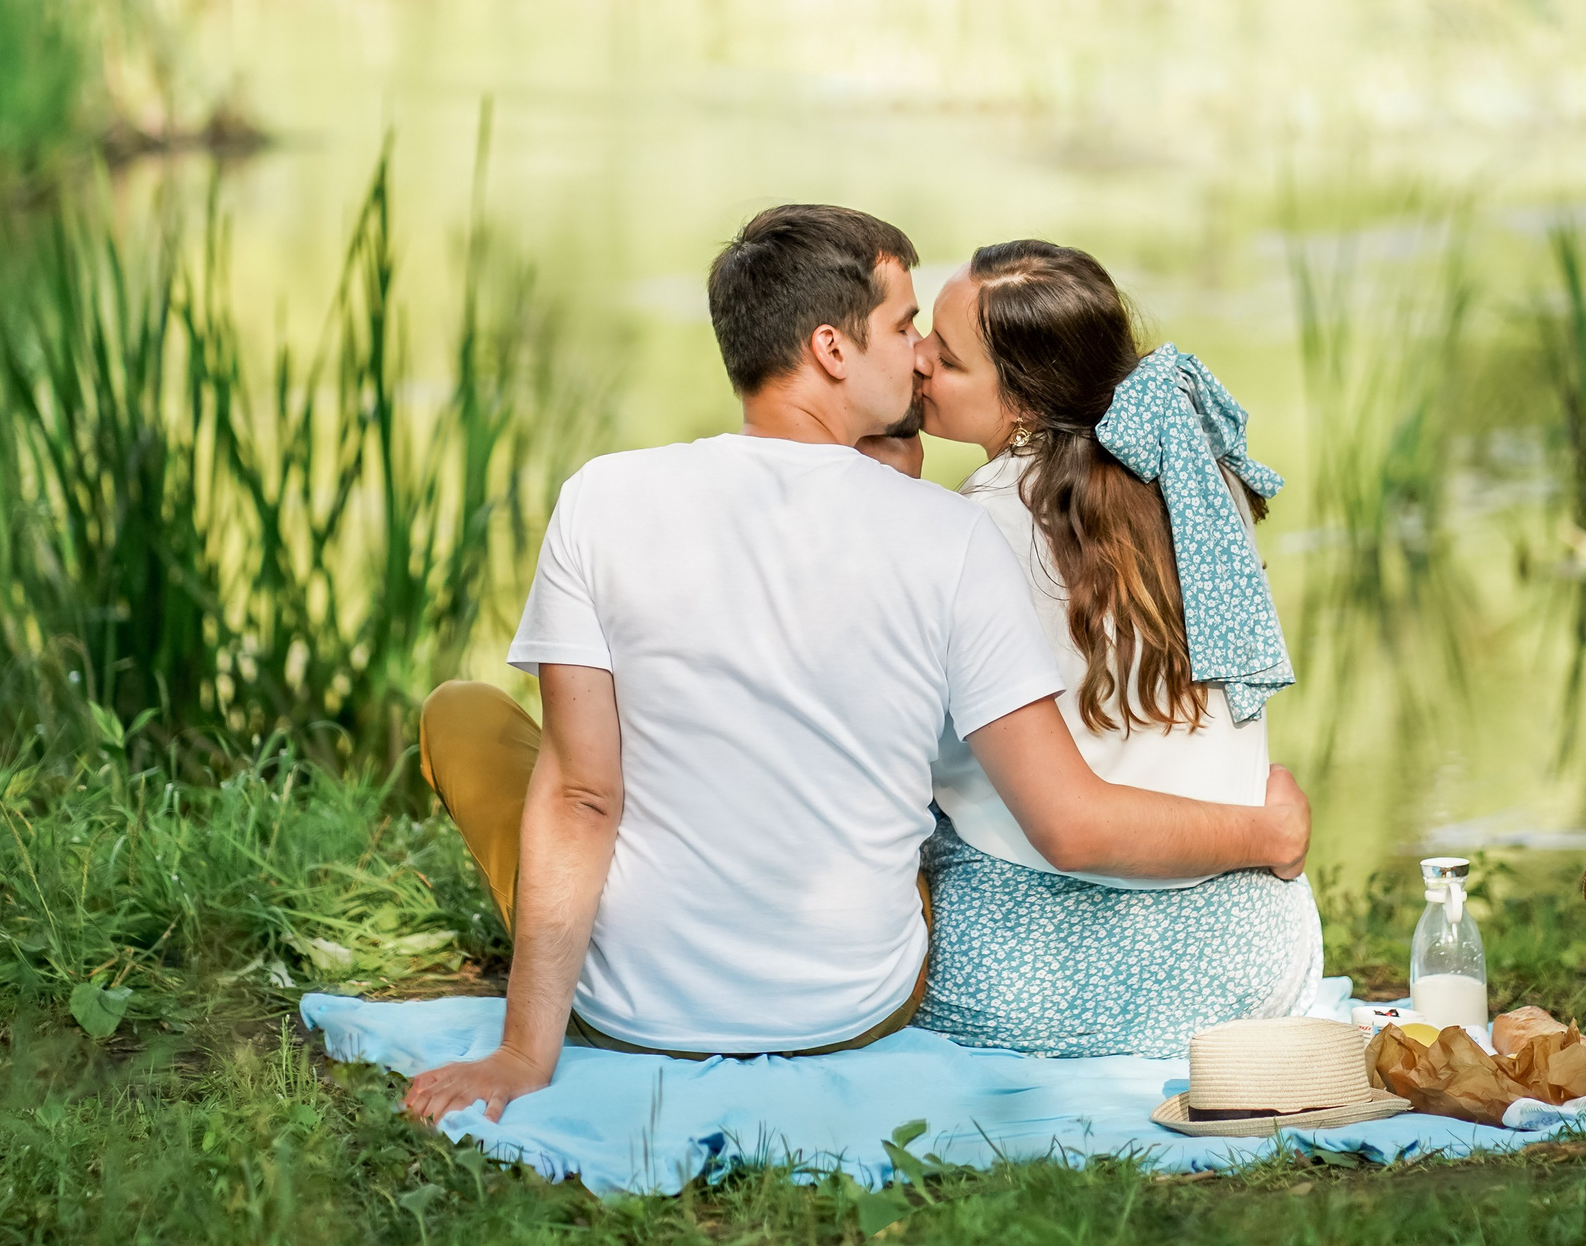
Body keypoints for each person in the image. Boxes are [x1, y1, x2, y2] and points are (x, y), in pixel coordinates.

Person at [402, 205, 1312, 1125]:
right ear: (834, 350)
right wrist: (1267, 834)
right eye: (906, 325)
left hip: (638, 1009)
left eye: (933, 342)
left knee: (475, 718)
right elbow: (1063, 814)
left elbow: (585, 797)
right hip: (857, 1006)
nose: (918, 356)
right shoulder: (959, 530)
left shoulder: (602, 496)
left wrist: (525, 1051)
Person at [911, 239, 1324, 1057]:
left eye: (947, 359)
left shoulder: (967, 531)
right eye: (924, 333)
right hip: (1250, 968)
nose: (918, 359)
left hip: (1036, 983)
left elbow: (1070, 829)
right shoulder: (1199, 477)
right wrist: (1268, 831)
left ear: (1023, 404)